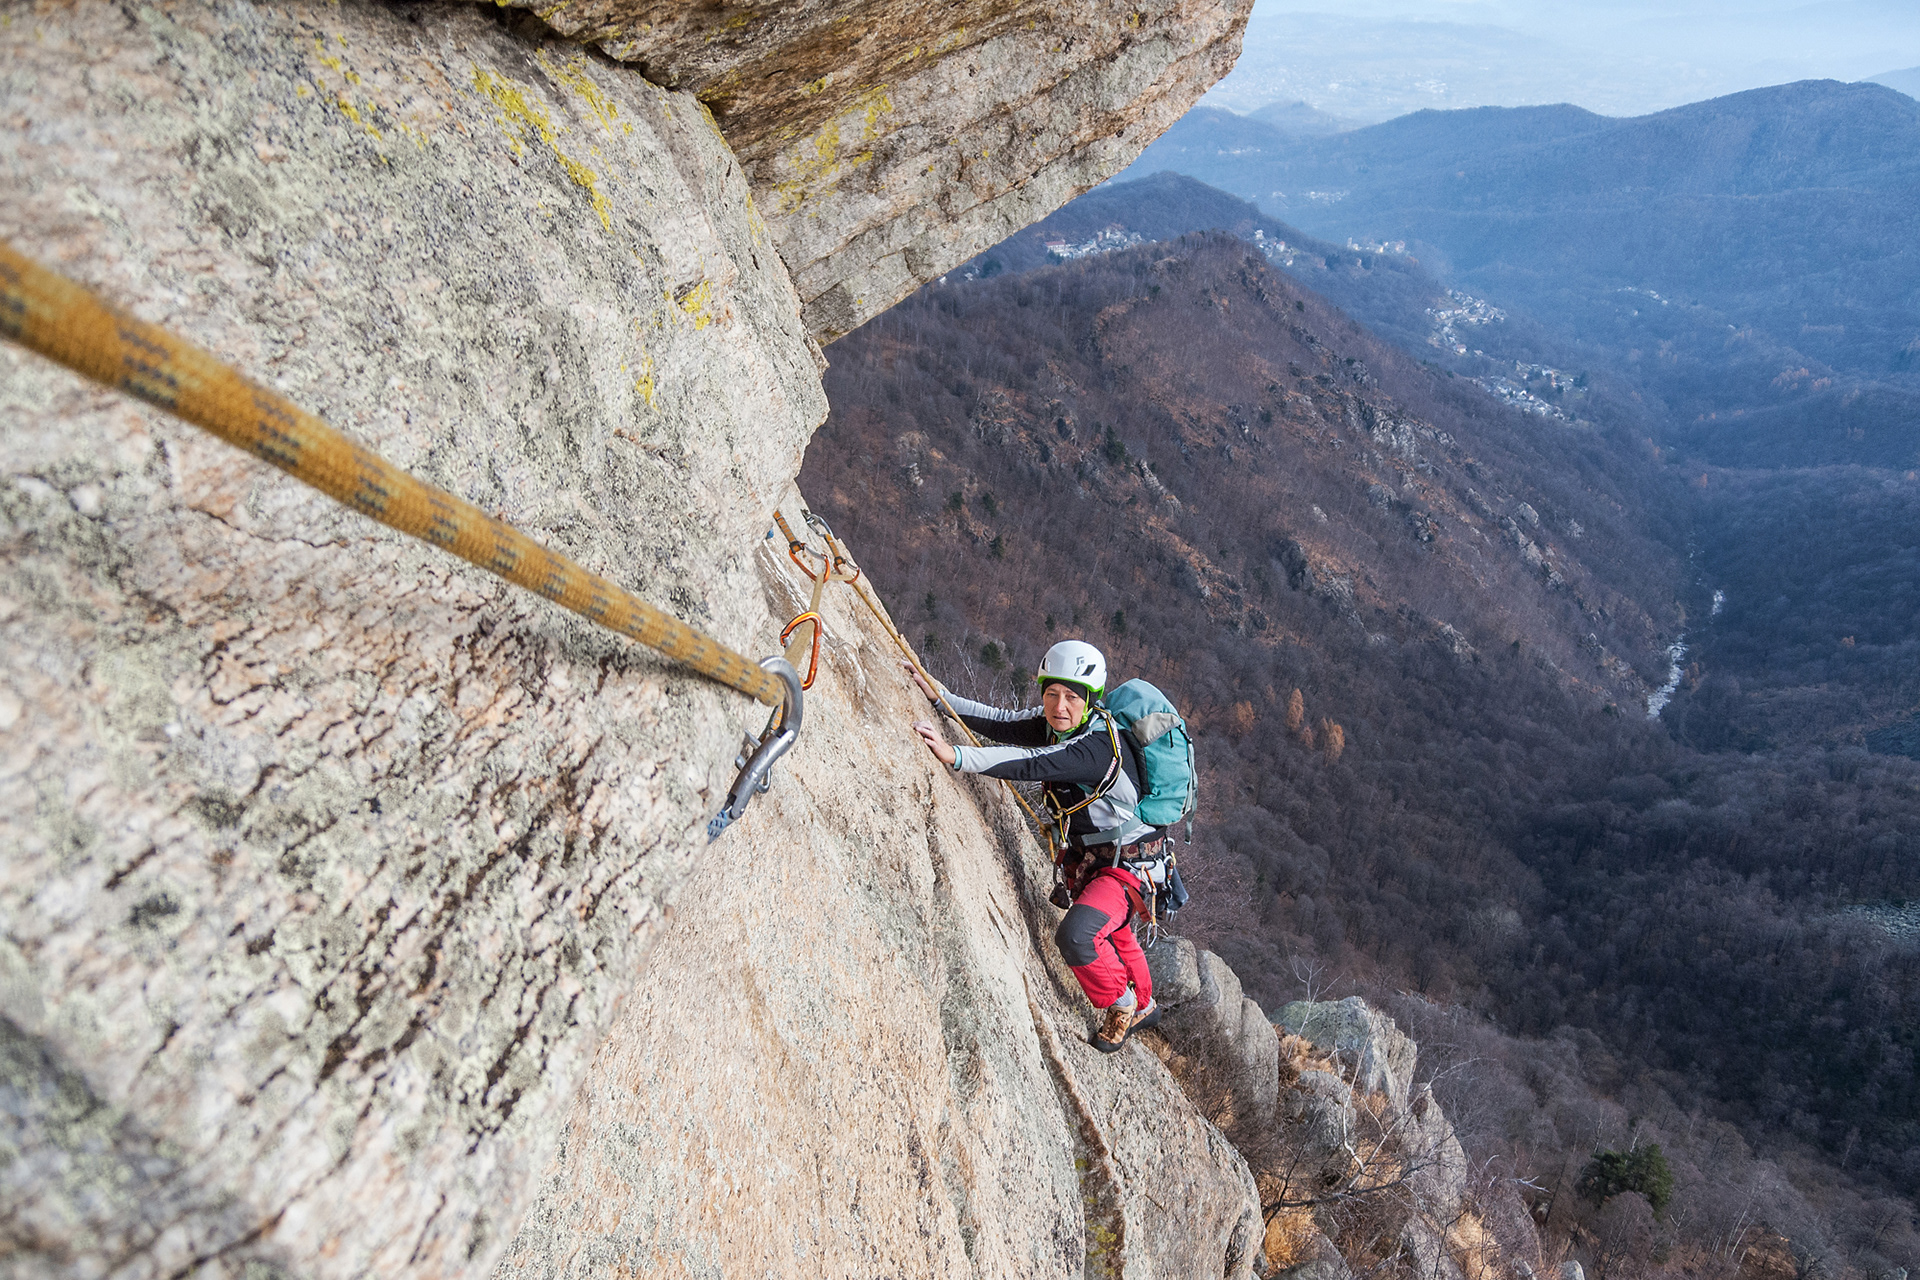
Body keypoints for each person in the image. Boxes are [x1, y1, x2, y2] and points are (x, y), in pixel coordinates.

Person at [909, 640, 1162, 1052]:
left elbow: (1032, 762)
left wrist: (956, 756)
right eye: (1051, 694)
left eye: (1071, 698)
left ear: (1090, 701)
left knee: (1078, 935)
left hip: (1129, 865)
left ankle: (1123, 1003)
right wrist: (939, 696)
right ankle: (1148, 1003)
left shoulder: (1095, 748)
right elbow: (1005, 723)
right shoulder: (1060, 723)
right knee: (1112, 929)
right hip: (1100, 857)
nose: (1059, 706)